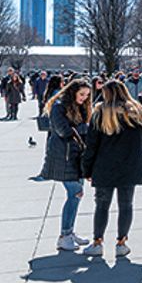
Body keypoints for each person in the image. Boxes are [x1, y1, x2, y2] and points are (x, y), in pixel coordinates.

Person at [80, 80, 142, 258]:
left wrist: (86, 169)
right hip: (129, 165)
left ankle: (97, 242)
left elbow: (91, 145)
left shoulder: (100, 113)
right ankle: (121, 242)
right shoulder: (138, 112)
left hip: (105, 165)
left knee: (102, 205)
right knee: (126, 205)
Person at [40, 79, 93, 251]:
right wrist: (84, 128)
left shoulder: (78, 107)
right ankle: (64, 235)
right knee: (75, 193)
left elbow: (79, 129)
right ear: (73, 92)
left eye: (87, 96)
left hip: (76, 155)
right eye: (82, 94)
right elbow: (64, 131)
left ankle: (69, 231)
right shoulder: (59, 106)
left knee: (77, 195)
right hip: (64, 155)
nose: (84, 98)